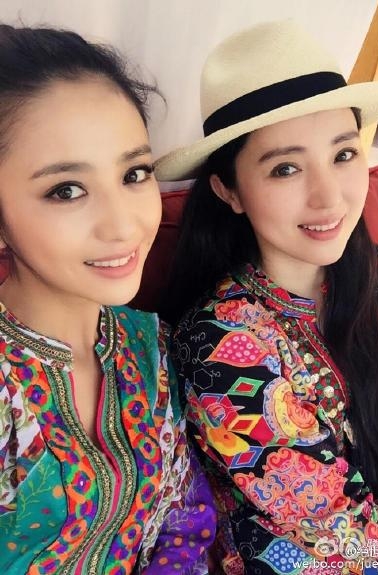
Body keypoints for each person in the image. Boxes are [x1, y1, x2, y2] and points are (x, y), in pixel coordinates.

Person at [155, 20, 378, 575]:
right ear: (229, 190)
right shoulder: (222, 347)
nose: (328, 197)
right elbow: (339, 534)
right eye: (286, 168)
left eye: (343, 154)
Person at [0, 24, 216, 574]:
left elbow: (184, 517)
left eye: (134, 173)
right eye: (66, 190)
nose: (123, 225)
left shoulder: (148, 345)